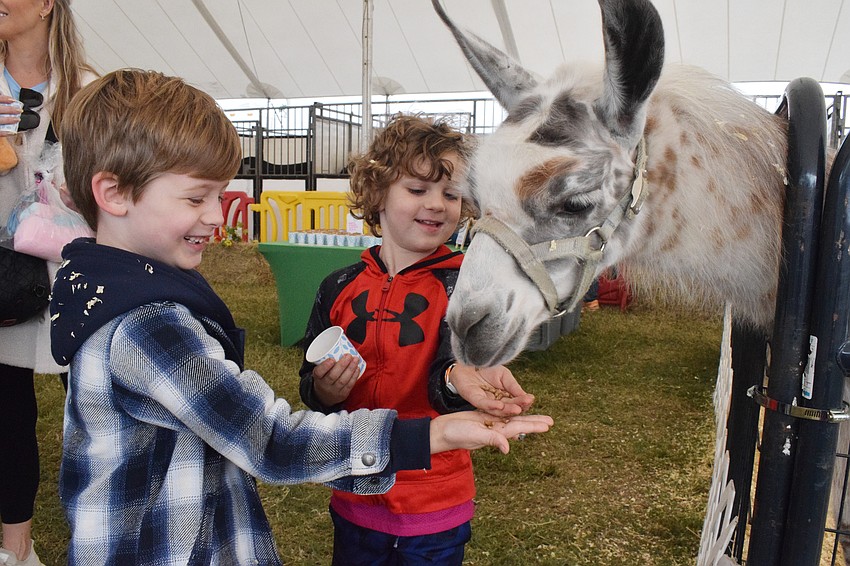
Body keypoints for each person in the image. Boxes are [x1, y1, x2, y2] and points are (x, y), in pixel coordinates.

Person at [50, 69, 553, 565]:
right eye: (196, 197)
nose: (215, 216)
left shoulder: (103, 295)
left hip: (424, 506)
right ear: (113, 193)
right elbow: (272, 440)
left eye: (219, 196)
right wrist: (435, 434)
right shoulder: (150, 327)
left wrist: (455, 379)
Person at [299, 114, 539, 565]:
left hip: (435, 501)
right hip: (356, 490)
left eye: (451, 194)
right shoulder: (338, 286)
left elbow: (449, 381)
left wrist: (456, 379)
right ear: (377, 194)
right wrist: (323, 390)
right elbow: (311, 386)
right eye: (417, 189)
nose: (437, 204)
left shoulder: (466, 286)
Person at [0, 2, 95, 565]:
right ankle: (16, 547)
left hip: (77, 274)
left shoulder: (88, 90)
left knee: (91, 409)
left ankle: (105, 530)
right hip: (3, 281)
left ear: (45, 5)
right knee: (7, 414)